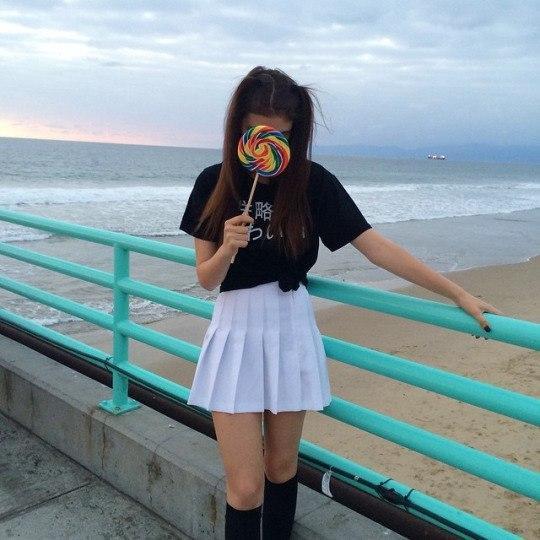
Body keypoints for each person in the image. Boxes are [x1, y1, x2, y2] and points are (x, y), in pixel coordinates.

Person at [179, 66, 502, 540]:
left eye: (279, 134)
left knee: (281, 467)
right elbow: (207, 279)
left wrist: (456, 292)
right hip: (236, 331)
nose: (266, 141)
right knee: (245, 488)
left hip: (290, 328)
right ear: (238, 128)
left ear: (294, 132)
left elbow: (374, 246)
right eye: (255, 131)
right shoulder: (215, 182)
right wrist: (227, 247)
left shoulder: (312, 183)